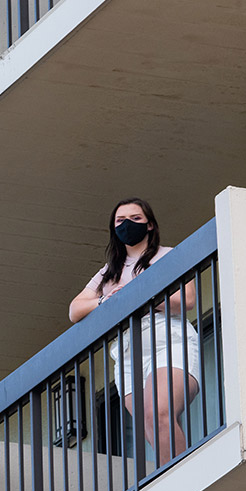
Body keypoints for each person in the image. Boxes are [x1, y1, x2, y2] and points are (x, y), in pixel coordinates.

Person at [68, 198, 200, 467]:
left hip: (166, 340)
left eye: (136, 219)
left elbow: (186, 300)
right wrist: (106, 301)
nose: (127, 224)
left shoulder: (167, 255)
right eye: (120, 220)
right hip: (128, 355)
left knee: (158, 412)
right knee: (148, 422)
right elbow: (75, 310)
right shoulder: (109, 271)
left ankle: (185, 474)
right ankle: (171, 476)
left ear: (150, 225)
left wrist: (140, 295)